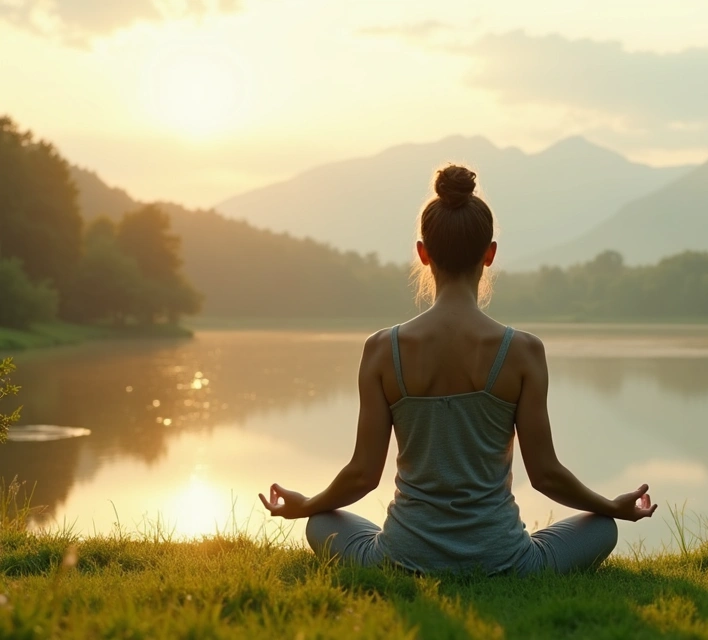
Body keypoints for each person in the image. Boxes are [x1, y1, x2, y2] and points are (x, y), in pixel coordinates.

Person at [259, 165, 657, 575]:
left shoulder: (382, 350)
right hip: (504, 560)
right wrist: (612, 507)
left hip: (401, 558)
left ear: (423, 253)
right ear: (490, 254)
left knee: (321, 522)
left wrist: (304, 505)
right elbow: (546, 476)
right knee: (603, 529)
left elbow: (362, 475)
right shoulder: (522, 351)